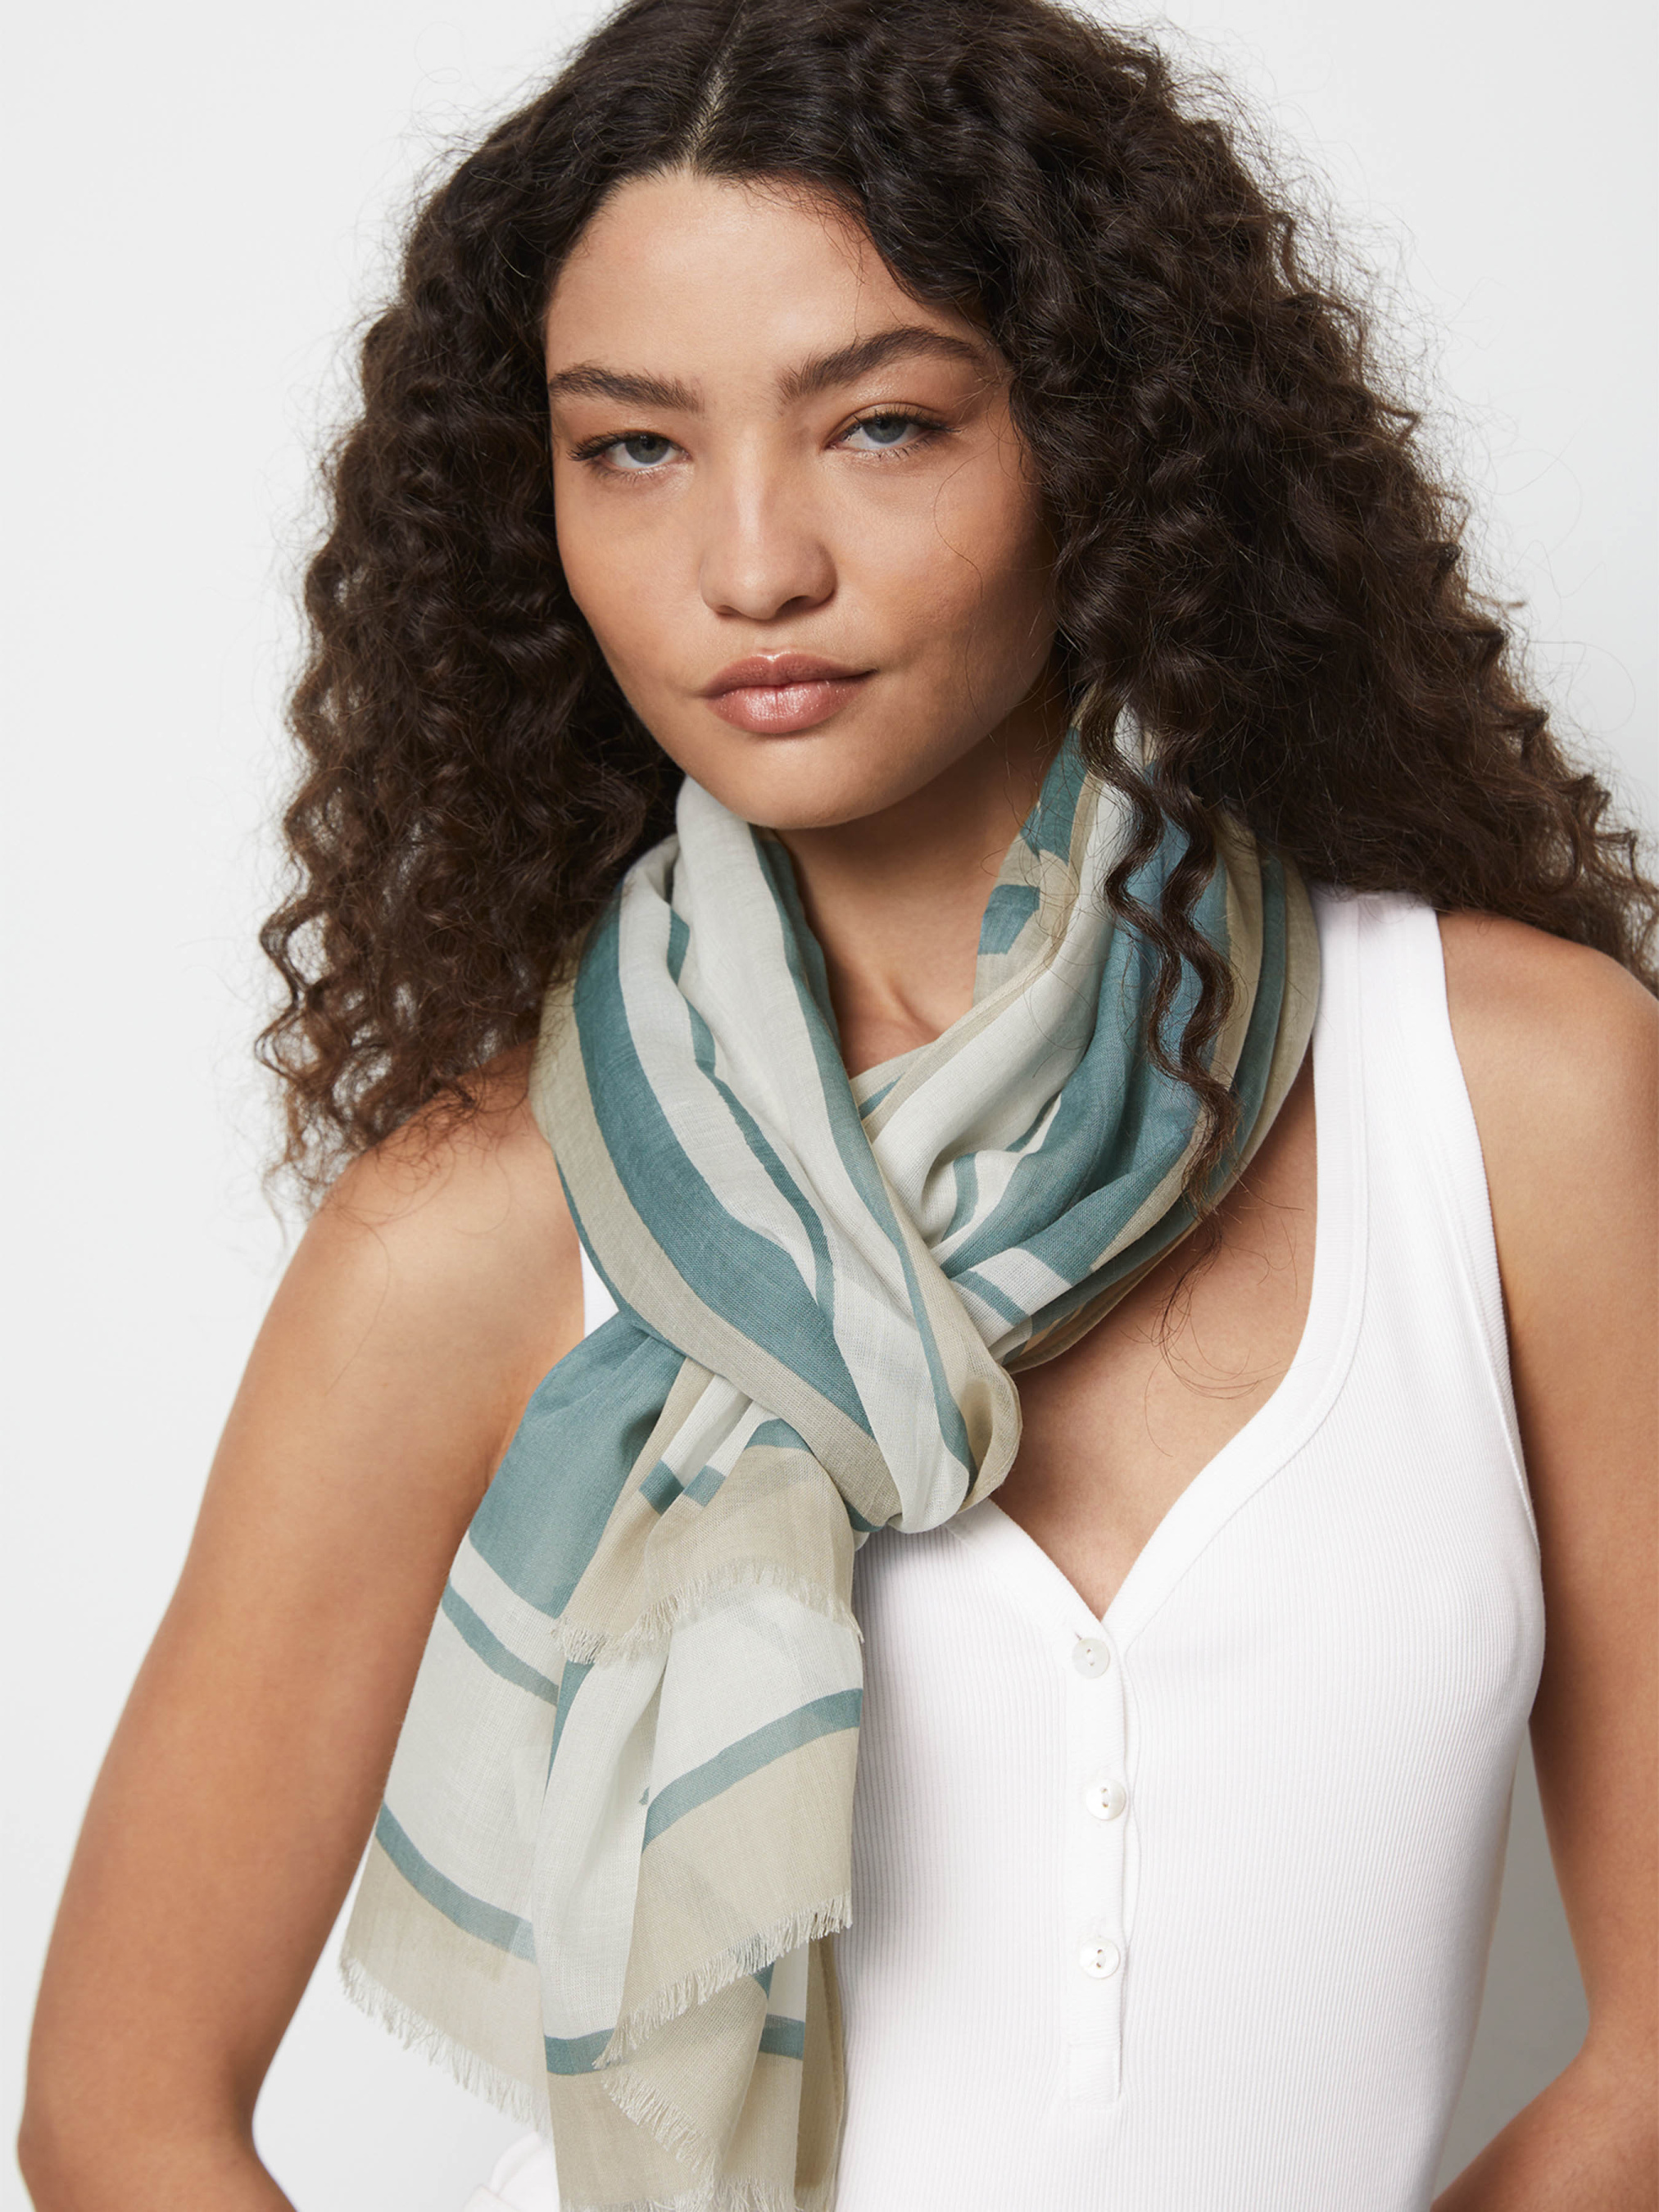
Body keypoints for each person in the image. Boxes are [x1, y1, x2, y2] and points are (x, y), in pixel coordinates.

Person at [19, 0, 1657, 2206]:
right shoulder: (481, 1220)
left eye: (881, 424)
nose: (751, 565)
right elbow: (119, 2114)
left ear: (1098, 435)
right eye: (632, 448)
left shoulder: (1509, 1093)